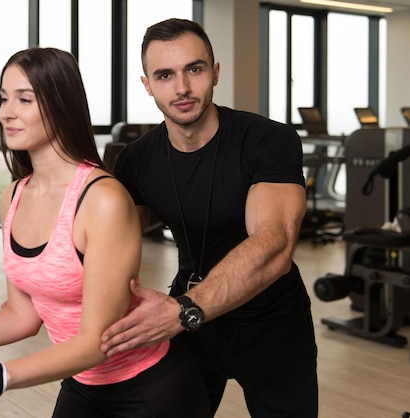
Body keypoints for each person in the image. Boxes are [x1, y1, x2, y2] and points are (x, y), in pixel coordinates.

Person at [0, 46, 209, 417]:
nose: (7, 112)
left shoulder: (102, 200)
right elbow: (22, 317)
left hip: (151, 391)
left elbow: (96, 341)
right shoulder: (14, 195)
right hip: (82, 384)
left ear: (60, 105)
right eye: (3, 99)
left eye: (24, 100)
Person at [100, 18, 318, 418]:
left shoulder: (268, 140)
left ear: (215, 72)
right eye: (164, 75)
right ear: (147, 84)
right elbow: (104, 247)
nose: (181, 88)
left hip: (271, 323)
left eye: (194, 69)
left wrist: (183, 309)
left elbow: (275, 244)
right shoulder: (136, 160)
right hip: (191, 324)